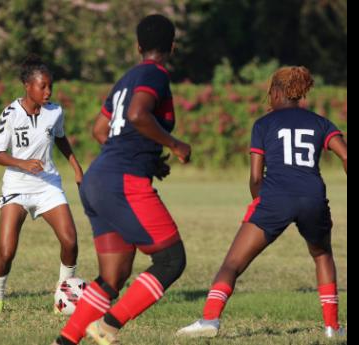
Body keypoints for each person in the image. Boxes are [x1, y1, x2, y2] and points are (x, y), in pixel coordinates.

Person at [176, 66, 347, 339]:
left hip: (274, 199)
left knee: (232, 263)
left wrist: (263, 205)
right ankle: (332, 327)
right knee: (322, 254)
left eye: (270, 92)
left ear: (278, 92)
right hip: (313, 197)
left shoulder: (264, 124)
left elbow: (255, 177)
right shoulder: (320, 122)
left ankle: (210, 319)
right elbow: (346, 156)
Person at [52, 14, 191, 345]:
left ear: (138, 46)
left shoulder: (127, 78)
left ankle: (65, 341)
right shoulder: (155, 74)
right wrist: (174, 144)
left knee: (113, 275)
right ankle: (108, 325)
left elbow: (101, 130)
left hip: (98, 179)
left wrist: (147, 157)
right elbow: (137, 115)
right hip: (121, 182)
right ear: (172, 47)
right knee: (171, 260)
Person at [0, 55, 83, 314]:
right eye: (43, 86)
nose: (48, 91)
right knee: (6, 252)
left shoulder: (55, 112)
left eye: (50, 86)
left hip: (47, 186)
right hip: (17, 188)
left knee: (71, 242)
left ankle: (63, 299)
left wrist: (76, 167)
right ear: (27, 86)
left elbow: (61, 138)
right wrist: (22, 162)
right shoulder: (10, 113)